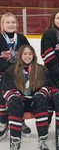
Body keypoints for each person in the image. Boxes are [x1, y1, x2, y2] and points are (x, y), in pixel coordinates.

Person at [2, 44, 50, 150]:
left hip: (35, 101)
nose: (27, 56)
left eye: (30, 54)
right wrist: (13, 96)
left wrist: (41, 93)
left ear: (33, 55)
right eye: (25, 54)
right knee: (13, 104)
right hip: (20, 101)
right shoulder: (11, 70)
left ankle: (43, 140)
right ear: (20, 56)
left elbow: (47, 85)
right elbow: (5, 88)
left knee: (42, 101)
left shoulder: (41, 69)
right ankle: (15, 141)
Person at [0, 13, 31, 141]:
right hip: (2, 75)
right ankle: (3, 123)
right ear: (2, 24)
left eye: (13, 22)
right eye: (7, 22)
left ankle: (21, 121)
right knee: (1, 98)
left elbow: (29, 55)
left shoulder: (22, 38)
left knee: (20, 97)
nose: (11, 25)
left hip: (19, 75)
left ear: (17, 24)